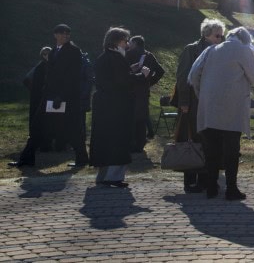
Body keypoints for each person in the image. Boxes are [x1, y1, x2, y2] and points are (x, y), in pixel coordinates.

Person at [189, 27, 254, 200]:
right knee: (231, 150)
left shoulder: (210, 49)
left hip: (209, 107)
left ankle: (211, 187)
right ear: (245, 40)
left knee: (211, 150)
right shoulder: (243, 50)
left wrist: (202, 95)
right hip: (232, 108)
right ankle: (231, 188)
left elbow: (192, 75)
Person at [9, 24, 89, 168]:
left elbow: (73, 77)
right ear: (55, 35)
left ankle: (82, 159)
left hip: (67, 98)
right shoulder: (53, 52)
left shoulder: (74, 51)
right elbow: (50, 76)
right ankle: (27, 158)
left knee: (73, 129)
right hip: (50, 96)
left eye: (67, 34)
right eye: (62, 33)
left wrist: (62, 96)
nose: (65, 36)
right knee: (37, 126)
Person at [90, 27, 151, 188]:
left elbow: (113, 77)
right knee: (117, 139)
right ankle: (113, 177)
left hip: (104, 104)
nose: (127, 45)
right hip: (116, 105)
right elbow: (122, 82)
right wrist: (141, 75)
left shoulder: (104, 57)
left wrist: (130, 69)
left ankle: (103, 176)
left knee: (105, 139)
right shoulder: (116, 57)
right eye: (125, 41)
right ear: (117, 41)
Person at [174, 18, 225, 193]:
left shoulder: (221, 51)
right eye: (217, 35)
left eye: (222, 35)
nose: (220, 38)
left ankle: (206, 179)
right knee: (193, 139)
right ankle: (190, 179)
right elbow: (183, 78)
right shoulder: (192, 50)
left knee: (210, 142)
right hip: (195, 102)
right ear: (207, 34)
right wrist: (184, 103)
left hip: (213, 103)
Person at [125, 35, 165, 152]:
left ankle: (131, 143)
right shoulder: (149, 55)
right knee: (141, 119)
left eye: (130, 42)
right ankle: (140, 143)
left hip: (130, 90)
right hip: (143, 91)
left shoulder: (128, 54)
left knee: (130, 118)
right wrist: (150, 82)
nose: (129, 45)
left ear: (135, 43)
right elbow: (160, 71)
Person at [22, 47, 52, 140]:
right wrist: (35, 90)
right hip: (38, 96)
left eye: (48, 53)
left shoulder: (52, 65)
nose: (47, 56)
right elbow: (26, 80)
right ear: (42, 55)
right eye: (45, 54)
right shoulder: (40, 67)